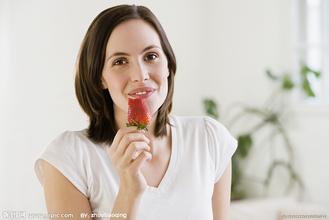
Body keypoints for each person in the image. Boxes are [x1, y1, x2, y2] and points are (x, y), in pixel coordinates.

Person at [34, 4, 238, 220]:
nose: (140, 75)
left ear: (167, 64)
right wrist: (129, 191)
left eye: (151, 56)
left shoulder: (209, 139)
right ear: (100, 77)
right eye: (120, 61)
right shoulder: (68, 158)